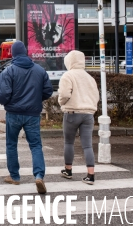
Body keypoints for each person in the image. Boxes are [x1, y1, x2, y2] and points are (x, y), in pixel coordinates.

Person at [0, 41, 53, 194]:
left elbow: (1, 95)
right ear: (25, 52)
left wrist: (8, 102)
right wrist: (35, 99)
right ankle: (39, 175)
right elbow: (48, 91)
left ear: (13, 54)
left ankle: (15, 176)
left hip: (13, 114)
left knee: (11, 144)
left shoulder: (8, 72)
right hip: (32, 114)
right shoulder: (39, 70)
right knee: (35, 145)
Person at [57, 50, 100, 185]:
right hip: (88, 114)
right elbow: (96, 96)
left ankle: (68, 170)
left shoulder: (68, 75)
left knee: (69, 142)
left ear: (69, 61)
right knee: (87, 145)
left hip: (72, 113)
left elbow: (64, 94)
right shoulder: (89, 77)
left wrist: (62, 103)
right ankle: (90, 175)